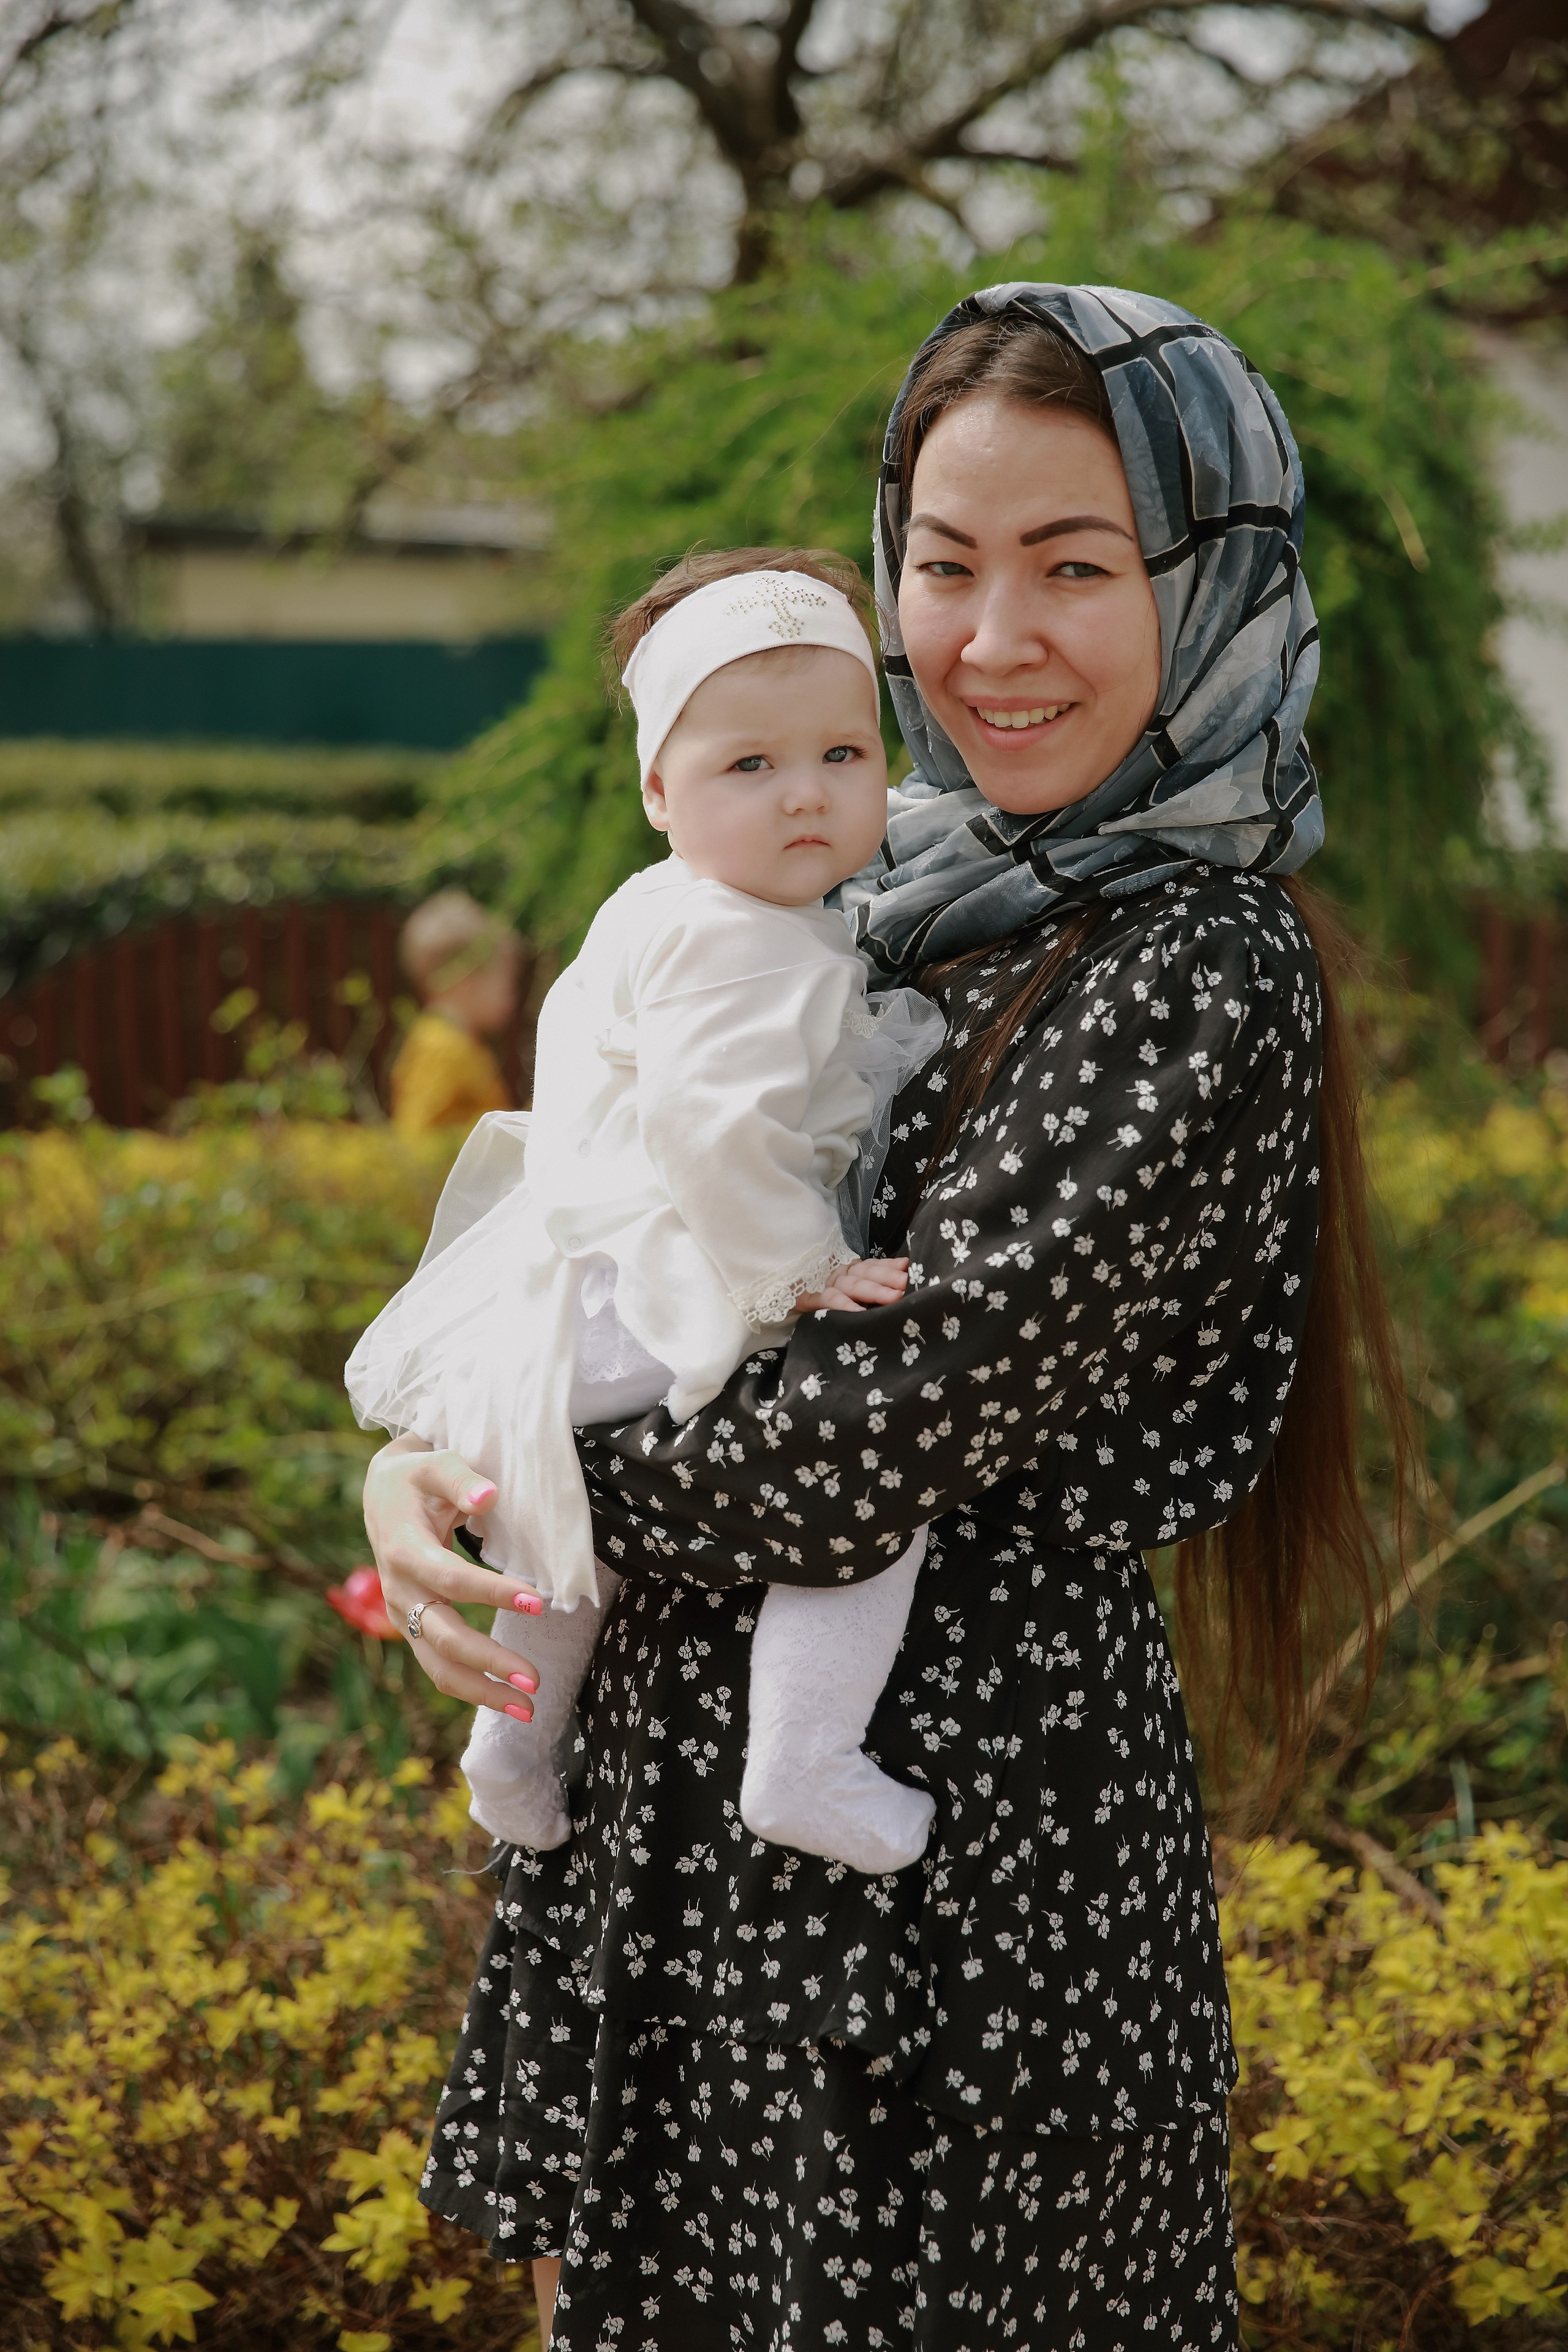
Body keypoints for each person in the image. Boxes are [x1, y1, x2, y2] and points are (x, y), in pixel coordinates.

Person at [362, 283, 1411, 2351]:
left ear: (1211, 584)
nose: (991, 640)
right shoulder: (873, 885)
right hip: (679, 1825)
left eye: (1078, 566)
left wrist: (528, 1464)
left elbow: (849, 1436)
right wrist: (435, 1455)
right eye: (944, 565)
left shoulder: (1193, 961)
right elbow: (627, 1219)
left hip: (957, 1860)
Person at [347, 550, 944, 1876]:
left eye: (845, 755)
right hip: (666, 1290)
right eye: (750, 767)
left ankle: (507, 1749)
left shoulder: (663, 904)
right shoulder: (742, 939)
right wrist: (800, 1272)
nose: (807, 795)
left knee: (562, 1538)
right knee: (865, 1502)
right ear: (656, 792)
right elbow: (709, 1126)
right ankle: (801, 1761)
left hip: (576, 1306)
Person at [389, 888, 519, 1136]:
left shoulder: (460, 1042)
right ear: (465, 980)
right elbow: (415, 1138)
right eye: (506, 981)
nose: (512, 996)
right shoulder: (442, 1047)